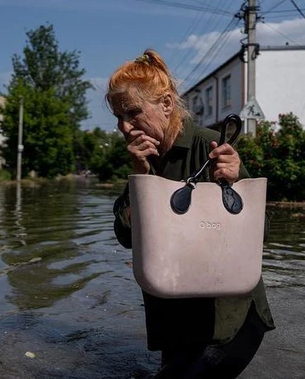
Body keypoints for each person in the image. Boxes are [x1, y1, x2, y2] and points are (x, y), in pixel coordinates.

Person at [107, 49, 275, 378]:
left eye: (133, 113)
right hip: (174, 324)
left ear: (166, 105)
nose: (125, 127)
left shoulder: (209, 147)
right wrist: (139, 178)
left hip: (228, 323)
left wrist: (236, 180)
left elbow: (262, 234)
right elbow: (127, 238)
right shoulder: (144, 158)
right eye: (118, 118)